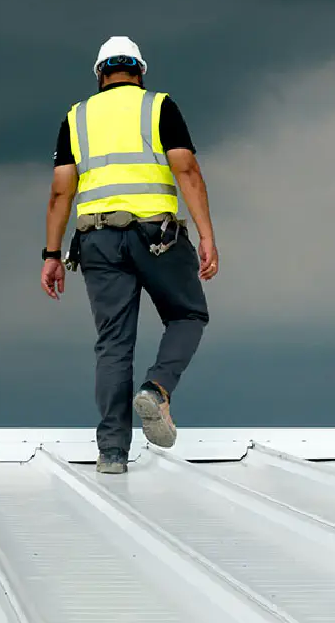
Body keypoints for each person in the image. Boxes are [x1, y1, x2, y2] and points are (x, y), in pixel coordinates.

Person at [40, 36, 218, 474]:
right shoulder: (159, 106)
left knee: (113, 344)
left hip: (96, 241)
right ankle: (157, 390)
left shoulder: (76, 117)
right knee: (188, 315)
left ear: (100, 74)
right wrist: (207, 235)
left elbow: (62, 189)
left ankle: (112, 453)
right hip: (156, 236)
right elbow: (187, 170)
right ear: (140, 70)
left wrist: (50, 254)